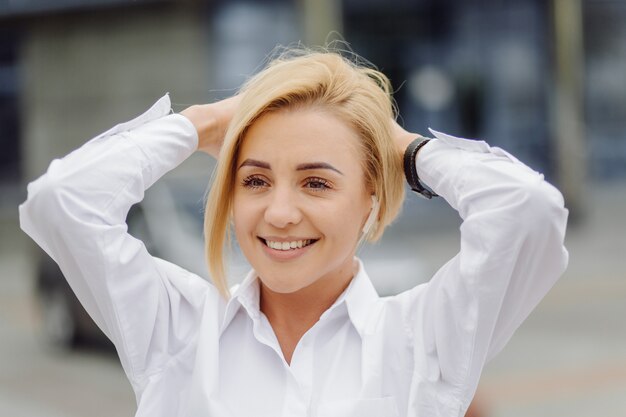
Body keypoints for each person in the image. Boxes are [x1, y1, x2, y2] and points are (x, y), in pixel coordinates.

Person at [19, 49, 568, 417]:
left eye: (316, 183)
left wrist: (401, 148)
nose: (279, 212)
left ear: (369, 199)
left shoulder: (422, 340)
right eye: (255, 179)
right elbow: (62, 200)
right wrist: (205, 123)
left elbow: (527, 209)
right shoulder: (178, 332)